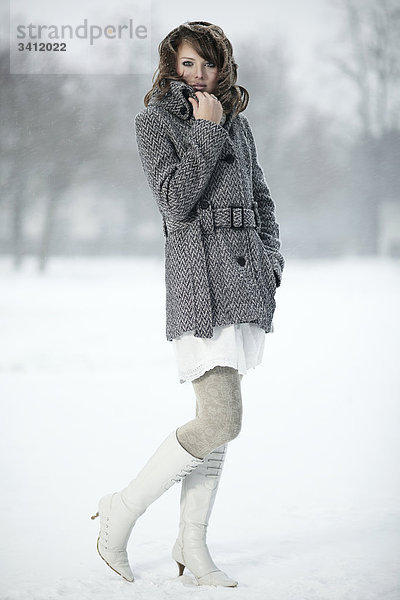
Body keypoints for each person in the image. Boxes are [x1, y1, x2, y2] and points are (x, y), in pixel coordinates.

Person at [91, 21, 285, 588]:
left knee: (216, 424)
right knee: (222, 419)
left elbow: (261, 198)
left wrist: (271, 260)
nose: (198, 74)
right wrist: (203, 132)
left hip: (245, 281)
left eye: (208, 63)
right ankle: (120, 510)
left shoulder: (239, 124)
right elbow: (175, 206)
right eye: (187, 64)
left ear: (223, 67)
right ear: (170, 66)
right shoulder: (154, 122)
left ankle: (192, 547)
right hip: (201, 284)